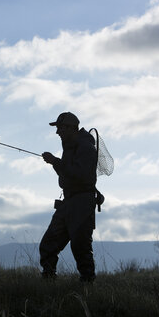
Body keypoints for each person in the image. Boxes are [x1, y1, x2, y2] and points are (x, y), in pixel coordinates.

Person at [40, 112, 98, 282]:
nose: (57, 132)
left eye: (59, 128)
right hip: (69, 202)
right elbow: (68, 172)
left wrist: (55, 162)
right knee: (48, 244)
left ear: (69, 128)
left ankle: (88, 285)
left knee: (81, 246)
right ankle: (48, 281)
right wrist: (55, 163)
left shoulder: (85, 147)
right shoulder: (70, 145)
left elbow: (80, 175)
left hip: (82, 203)